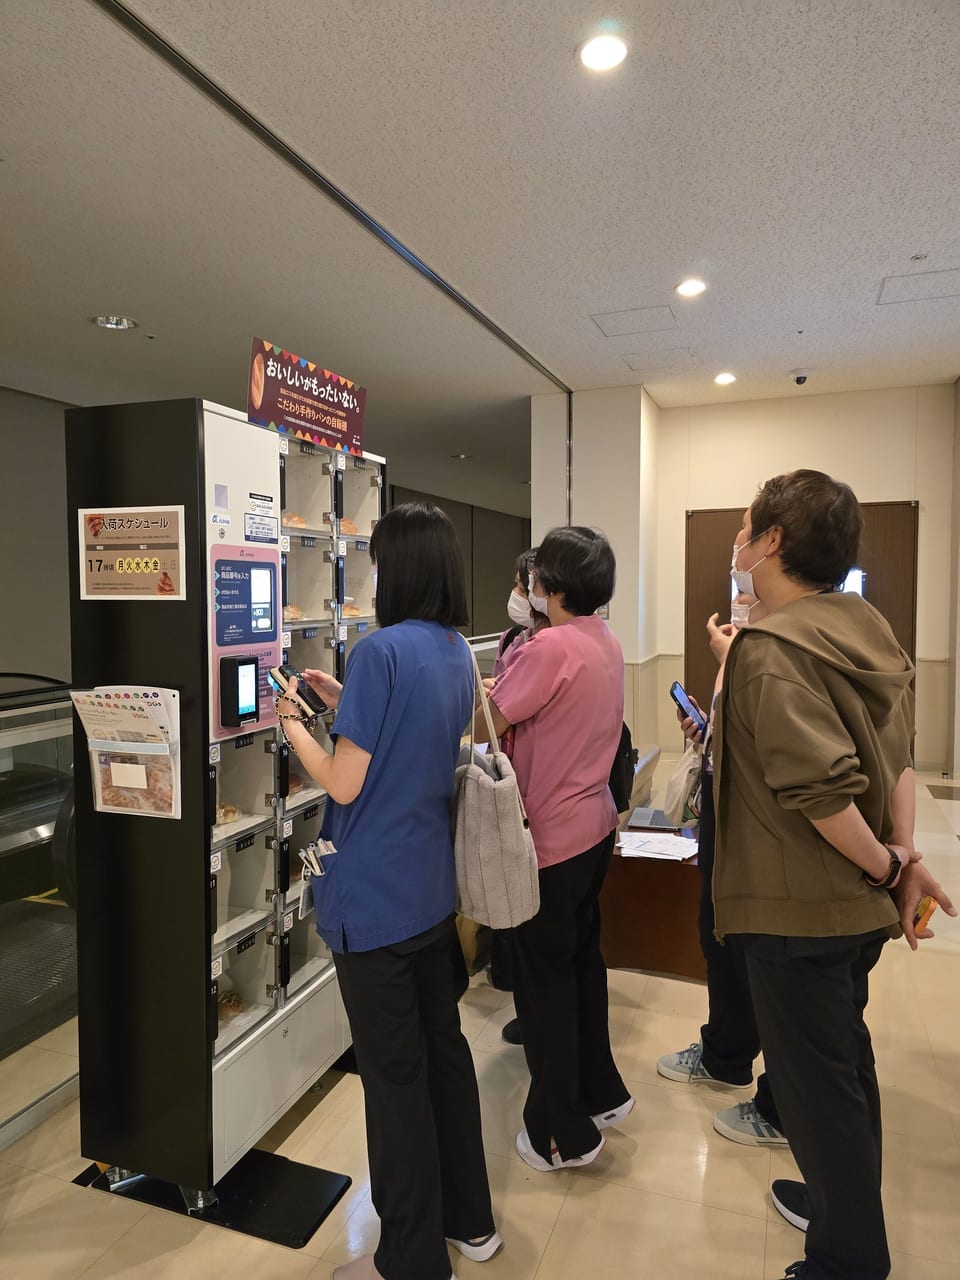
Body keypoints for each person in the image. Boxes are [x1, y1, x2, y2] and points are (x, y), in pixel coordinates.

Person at [712, 470, 956, 1280]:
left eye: (745, 529)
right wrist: (903, 859)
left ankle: (848, 1259)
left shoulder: (772, 650)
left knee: (819, 1092)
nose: (738, 545)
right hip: (853, 910)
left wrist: (890, 864)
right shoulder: (869, 630)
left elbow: (819, 793)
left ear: (773, 542)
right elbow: (898, 761)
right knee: (845, 1068)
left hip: (798, 910)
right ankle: (838, 1204)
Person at [276, 501, 499, 1280]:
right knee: (444, 1057)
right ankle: (471, 1223)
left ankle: (409, 1258)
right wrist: (345, 703)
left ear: (397, 567)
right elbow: (413, 736)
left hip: (372, 901)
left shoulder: (381, 651)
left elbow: (344, 780)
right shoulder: (453, 650)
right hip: (431, 893)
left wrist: (294, 726)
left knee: (395, 1079)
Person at [476, 526, 633, 1172]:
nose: (530, 583)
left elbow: (488, 724)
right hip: (594, 828)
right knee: (581, 965)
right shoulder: (604, 640)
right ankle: (601, 1092)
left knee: (545, 986)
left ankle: (560, 1133)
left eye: (537, 573)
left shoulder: (549, 648)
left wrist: (478, 690)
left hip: (552, 841)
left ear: (554, 585)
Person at [657, 595, 788, 1150]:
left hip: (763, 833)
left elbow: (779, 753)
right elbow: (738, 739)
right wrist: (707, 730)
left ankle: (781, 1104)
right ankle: (725, 1054)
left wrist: (889, 862)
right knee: (718, 936)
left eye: (748, 550)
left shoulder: (779, 650)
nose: (740, 573)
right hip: (724, 810)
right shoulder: (748, 647)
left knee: (765, 960)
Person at [488, 547, 549, 1042]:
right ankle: (524, 1000)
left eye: (522, 586)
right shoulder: (512, 639)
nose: (517, 595)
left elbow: (497, 716)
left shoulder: (547, 649)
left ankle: (538, 1020)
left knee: (540, 926)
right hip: (513, 781)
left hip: (539, 801)